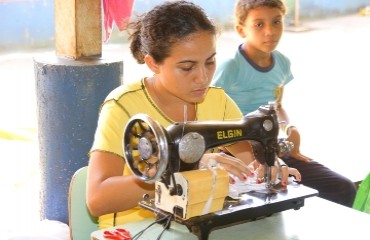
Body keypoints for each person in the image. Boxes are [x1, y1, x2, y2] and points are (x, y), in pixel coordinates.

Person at [86, 0, 300, 229]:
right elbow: (97, 200)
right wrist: (181, 167)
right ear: (153, 64)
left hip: (197, 225)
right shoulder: (123, 106)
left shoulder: (217, 101)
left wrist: (272, 166)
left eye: (210, 62)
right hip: (138, 228)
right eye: (187, 67)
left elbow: (253, 161)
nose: (203, 77)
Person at [212, 0, 357, 207]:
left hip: (272, 148)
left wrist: (288, 128)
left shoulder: (282, 63)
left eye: (276, 22)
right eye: (259, 24)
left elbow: (277, 107)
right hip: (236, 151)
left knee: (342, 188)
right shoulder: (230, 67)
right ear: (240, 29)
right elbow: (211, 110)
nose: (270, 31)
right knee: (270, 200)